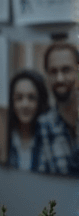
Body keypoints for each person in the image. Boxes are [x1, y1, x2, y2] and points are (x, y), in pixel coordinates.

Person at [36, 42, 79, 175]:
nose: (59, 78)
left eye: (66, 70)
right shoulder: (43, 125)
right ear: (47, 77)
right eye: (53, 71)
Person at [7, 70, 48, 171]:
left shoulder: (49, 138)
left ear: (40, 101)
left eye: (31, 98)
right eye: (19, 98)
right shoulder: (5, 139)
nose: (25, 104)